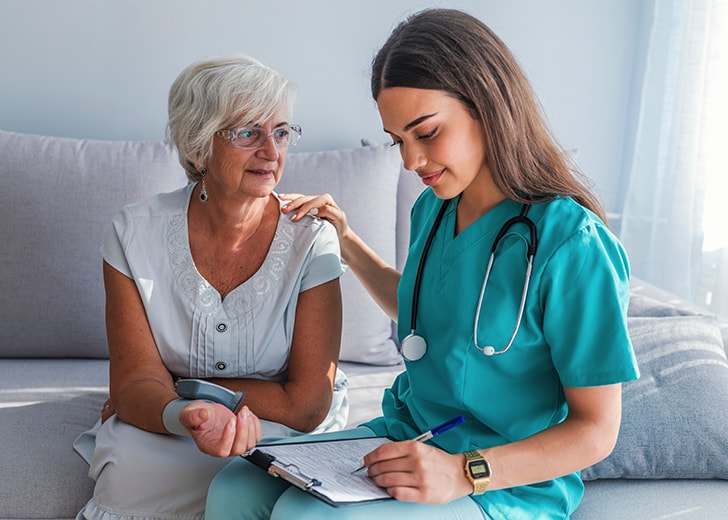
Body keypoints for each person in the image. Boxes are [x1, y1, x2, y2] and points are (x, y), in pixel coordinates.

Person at [205, 8, 640, 520]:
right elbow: (424, 309)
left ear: (488, 107)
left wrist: (463, 473)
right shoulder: (434, 208)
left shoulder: (573, 244)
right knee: (235, 487)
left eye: (427, 133)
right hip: (411, 433)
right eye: (398, 141)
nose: (411, 162)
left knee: (314, 517)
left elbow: (596, 430)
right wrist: (345, 240)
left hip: (499, 477)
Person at [72, 54, 349, 520]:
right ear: (199, 146)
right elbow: (135, 381)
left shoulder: (311, 238)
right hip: (175, 421)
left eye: (281, 132)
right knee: (129, 477)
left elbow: (304, 405)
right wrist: (183, 411)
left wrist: (180, 388)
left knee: (265, 482)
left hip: (282, 428)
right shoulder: (132, 232)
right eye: (247, 132)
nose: (271, 150)